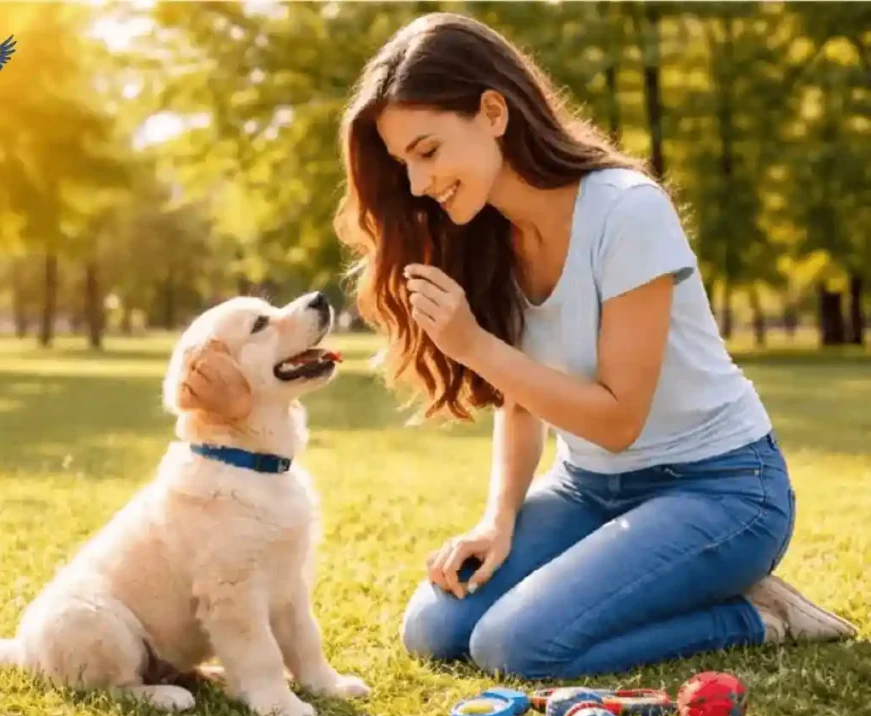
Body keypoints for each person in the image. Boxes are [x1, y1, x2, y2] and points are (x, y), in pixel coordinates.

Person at [333, 12, 857, 681]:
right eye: (404, 161)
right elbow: (519, 400)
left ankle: (756, 615)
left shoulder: (626, 210)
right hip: (590, 489)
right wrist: (498, 521)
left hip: (722, 490)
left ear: (493, 112)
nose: (416, 184)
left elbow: (618, 418)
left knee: (513, 645)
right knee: (436, 628)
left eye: (427, 151)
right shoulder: (487, 233)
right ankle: (655, 579)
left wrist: (473, 344)